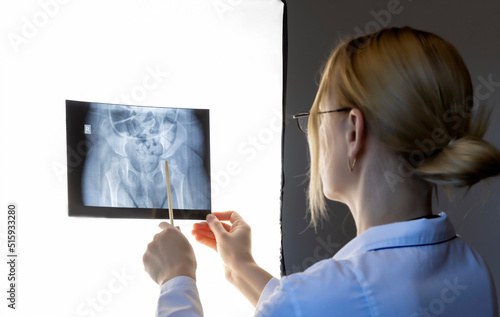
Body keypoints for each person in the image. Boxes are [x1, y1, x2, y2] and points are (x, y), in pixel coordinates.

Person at [143, 26, 500, 316]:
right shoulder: (473, 270)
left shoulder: (319, 298)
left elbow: (315, 304)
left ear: (353, 132)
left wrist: (176, 280)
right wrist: (240, 265)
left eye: (316, 118)